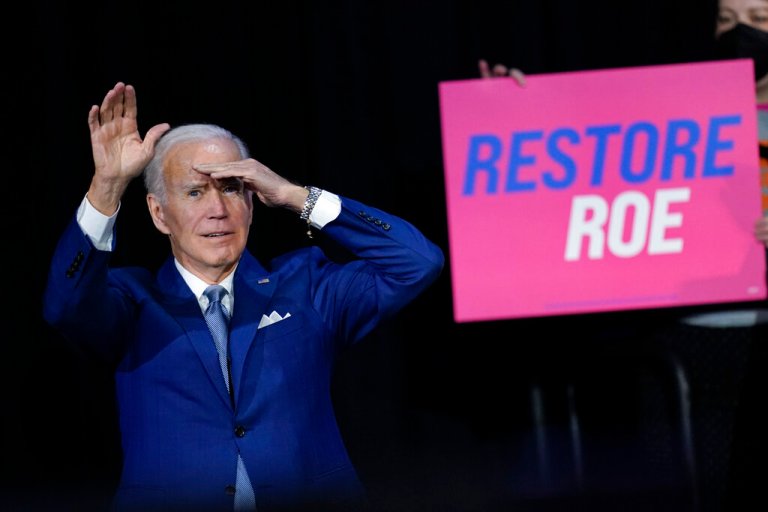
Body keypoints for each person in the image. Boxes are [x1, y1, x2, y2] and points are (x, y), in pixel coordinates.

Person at [42, 81, 444, 512]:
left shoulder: (307, 285)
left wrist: (295, 196)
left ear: (252, 203)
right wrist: (106, 188)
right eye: (194, 192)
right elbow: (64, 306)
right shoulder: (132, 302)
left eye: (232, 188)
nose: (217, 210)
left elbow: (417, 262)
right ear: (159, 213)